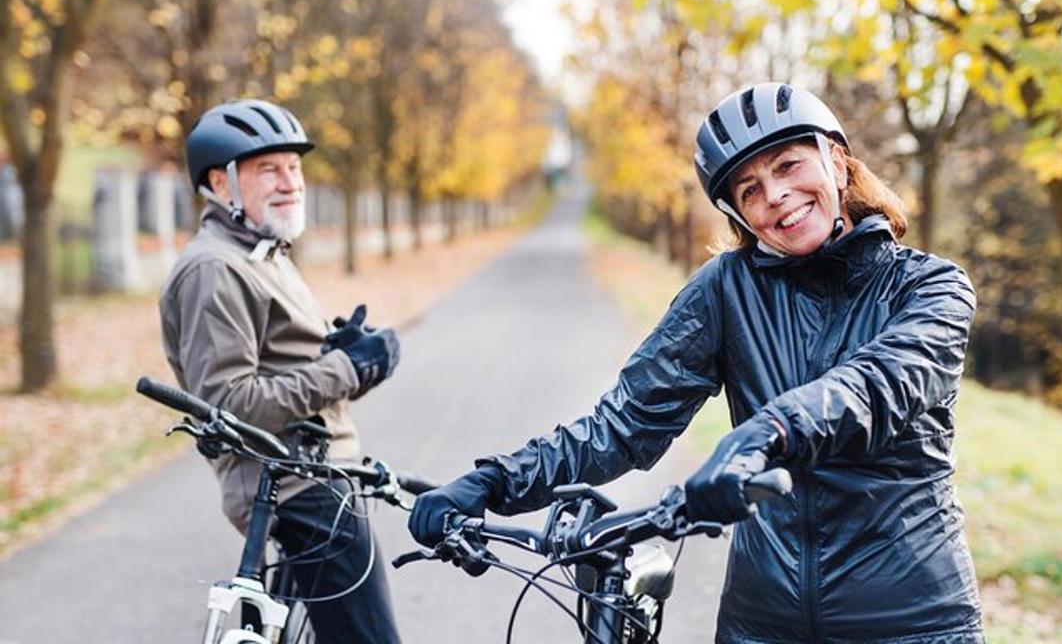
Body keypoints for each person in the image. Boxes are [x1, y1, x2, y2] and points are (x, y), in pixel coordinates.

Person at [410, 82, 985, 643]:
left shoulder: (929, 287)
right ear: (738, 213)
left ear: (836, 162)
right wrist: (494, 481)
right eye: (749, 190)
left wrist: (765, 435)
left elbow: (875, 389)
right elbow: (624, 425)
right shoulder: (724, 291)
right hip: (763, 622)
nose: (776, 195)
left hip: (911, 621)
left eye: (787, 166)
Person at [160, 99, 402, 644]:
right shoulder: (213, 269)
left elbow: (282, 369)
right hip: (296, 491)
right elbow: (229, 403)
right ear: (222, 184)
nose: (290, 181)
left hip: (318, 478)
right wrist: (345, 367)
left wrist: (347, 357)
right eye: (268, 168)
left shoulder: (263, 254)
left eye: (294, 166)